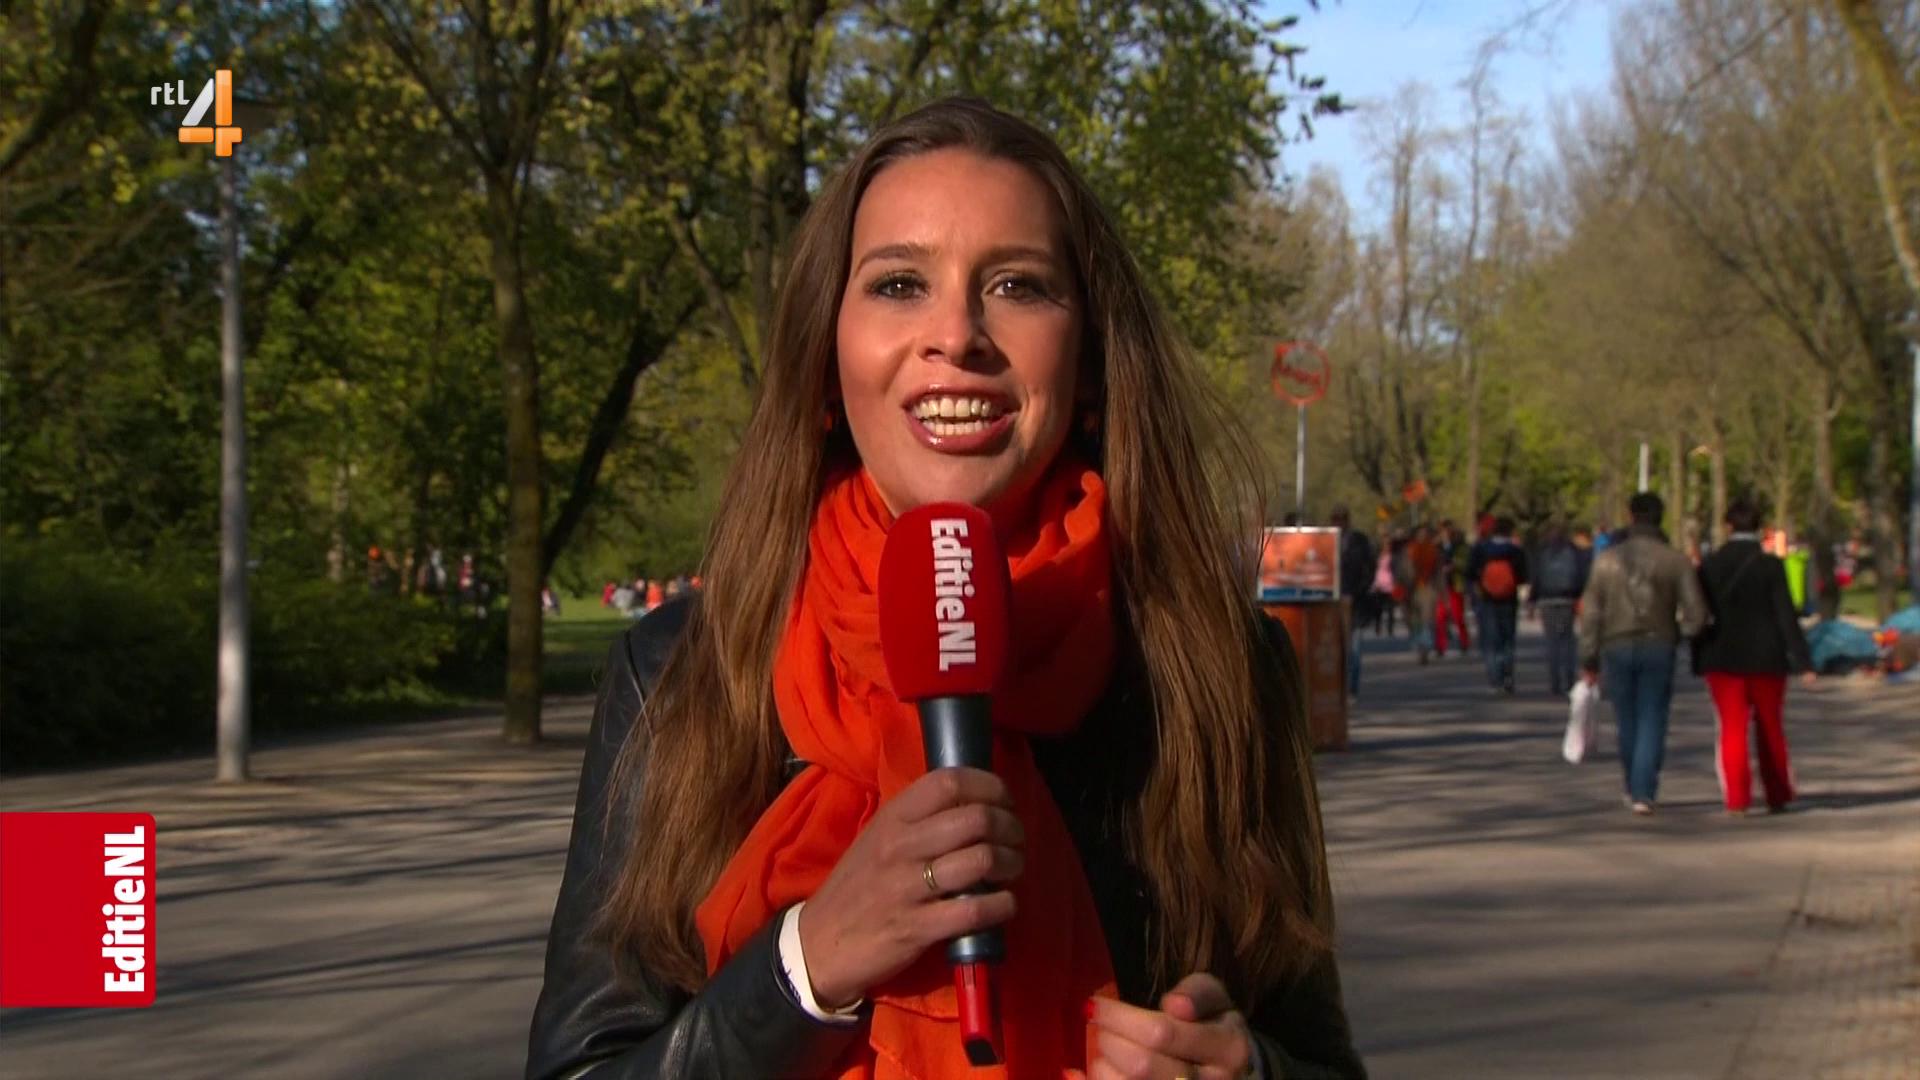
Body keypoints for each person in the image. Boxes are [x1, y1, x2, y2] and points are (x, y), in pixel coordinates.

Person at [526, 98, 1363, 1080]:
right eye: (899, 284)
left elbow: (1321, 1058)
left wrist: (1243, 1069)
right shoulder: (679, 672)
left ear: (1090, 363)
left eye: (1017, 285)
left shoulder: (1219, 665)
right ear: (825, 361)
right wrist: (804, 970)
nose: (957, 335)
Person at [1578, 493, 1709, 815]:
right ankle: (1644, 788)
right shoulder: (1675, 560)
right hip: (1659, 642)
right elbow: (1697, 613)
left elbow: (1591, 612)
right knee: (1652, 716)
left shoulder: (1607, 560)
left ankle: (1632, 784)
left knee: (1626, 718)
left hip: (1617, 642)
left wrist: (1588, 656)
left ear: (1630, 516)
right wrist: (1678, 633)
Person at [1693, 500, 1814, 815]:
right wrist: (1803, 660)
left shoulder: (1710, 565)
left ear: (1728, 526)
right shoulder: (1770, 566)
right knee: (1770, 725)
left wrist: (1697, 656)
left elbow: (1698, 615)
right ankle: (1777, 792)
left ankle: (1737, 798)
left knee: (1732, 727)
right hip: (1767, 656)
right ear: (1760, 528)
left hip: (1722, 656)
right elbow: (1785, 615)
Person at [1467, 517, 1528, 694]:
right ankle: (1508, 675)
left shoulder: (1481, 549)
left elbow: (1470, 573)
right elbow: (1523, 576)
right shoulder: (1515, 550)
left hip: (1487, 599)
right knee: (1508, 639)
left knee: (1491, 641)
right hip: (1509, 599)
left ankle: (1495, 679)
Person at [1530, 523, 1590, 697]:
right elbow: (1581, 576)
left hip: (1547, 600)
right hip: (1567, 599)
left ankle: (1555, 681)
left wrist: (1532, 600)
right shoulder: (1574, 552)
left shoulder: (1542, 552)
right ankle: (1569, 678)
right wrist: (1580, 595)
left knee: (1551, 641)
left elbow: (1536, 578)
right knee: (1567, 640)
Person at [1332, 505, 1376, 699]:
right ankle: (1339, 685)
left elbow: (1370, 567)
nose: (1338, 522)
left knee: (1355, 647)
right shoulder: (1326, 541)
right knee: (1337, 647)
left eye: (1341, 518)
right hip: (1332, 603)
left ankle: (1352, 686)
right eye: (1335, 518)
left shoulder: (1359, 541)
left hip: (1356, 602)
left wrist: (1359, 590)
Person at [1432, 520, 1472, 658]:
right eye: (1443, 531)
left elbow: (1467, 563)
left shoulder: (1461, 546)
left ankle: (1464, 642)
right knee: (1440, 618)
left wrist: (1454, 565)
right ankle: (1440, 646)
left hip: (1455, 585)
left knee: (1458, 616)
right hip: (1440, 586)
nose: (1446, 533)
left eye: (1448, 531)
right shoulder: (1436, 547)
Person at [1405, 525, 1441, 664]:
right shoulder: (1410, 550)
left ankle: (1424, 649)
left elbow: (1438, 572)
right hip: (1413, 590)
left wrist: (1441, 591)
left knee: (1426, 620)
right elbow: (1404, 571)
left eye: (1425, 534)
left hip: (1427, 588)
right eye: (1420, 534)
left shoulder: (1433, 551)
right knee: (1416, 621)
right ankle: (1421, 647)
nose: (1423, 537)